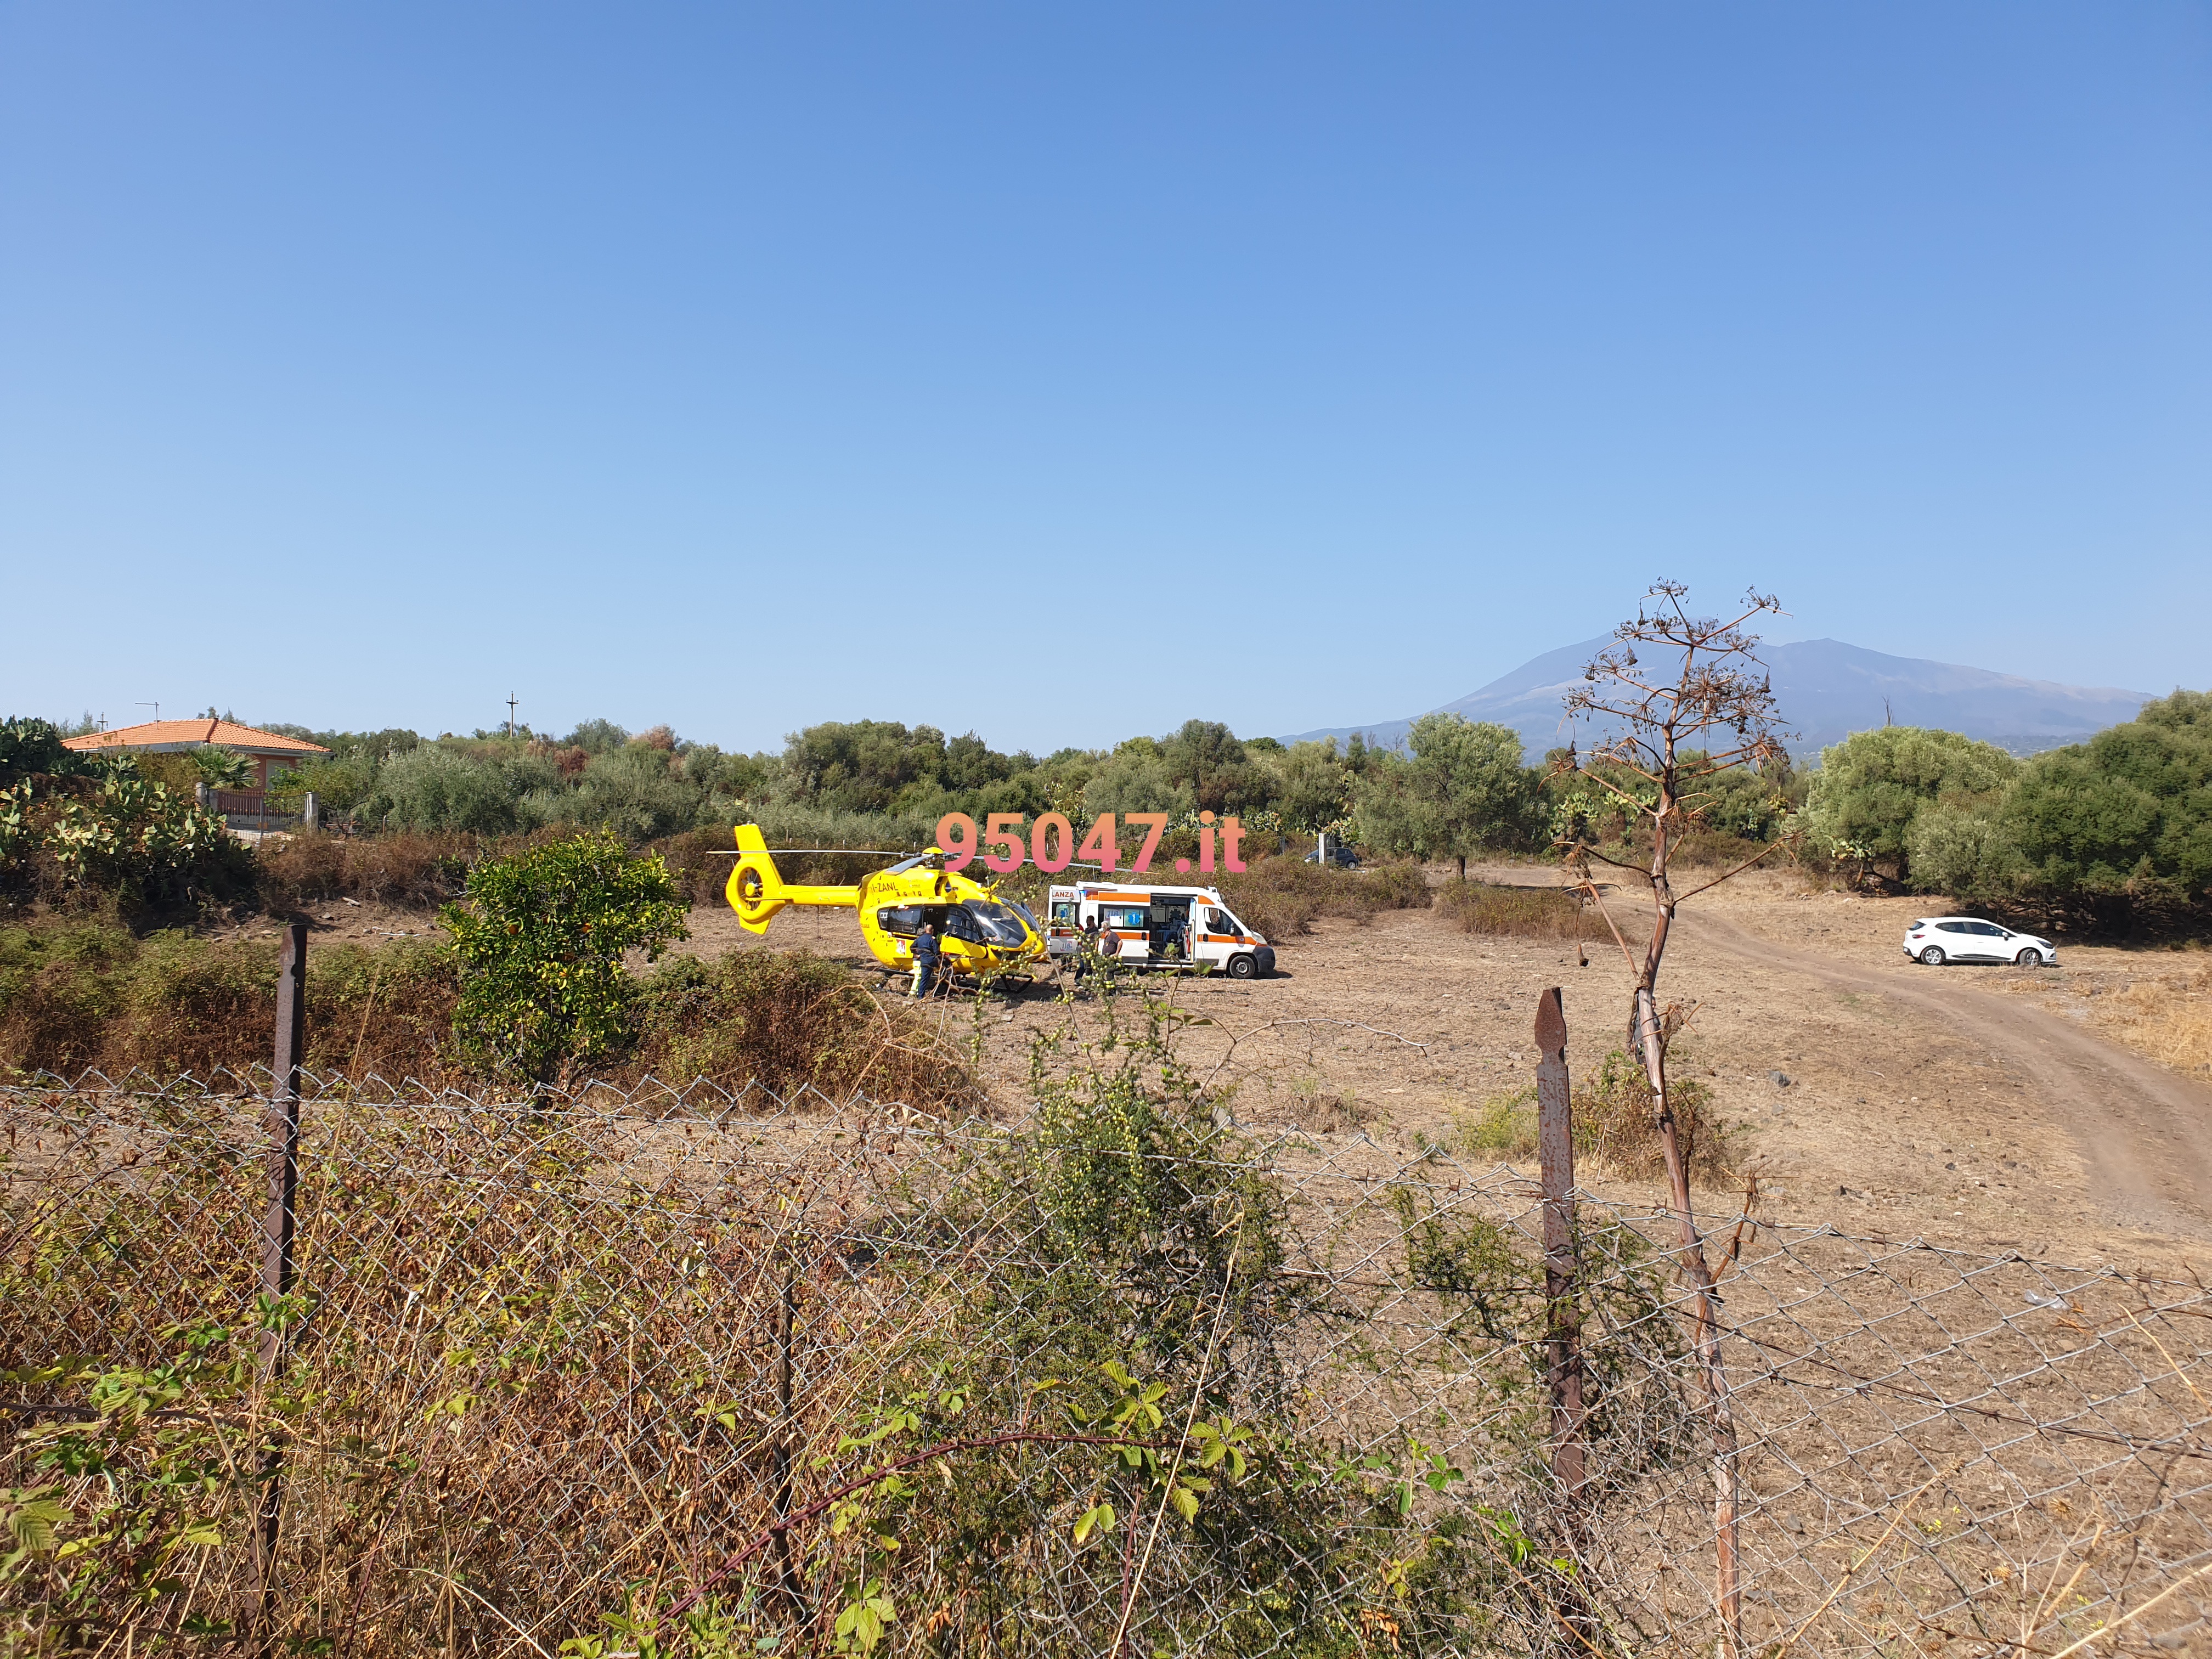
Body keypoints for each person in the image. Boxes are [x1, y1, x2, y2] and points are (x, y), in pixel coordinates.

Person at [910, 922, 941, 1000]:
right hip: (931, 961)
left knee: (924, 978)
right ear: (932, 931)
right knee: (927, 978)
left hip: (923, 961)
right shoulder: (932, 939)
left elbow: (912, 947)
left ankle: (921, 995)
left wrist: (917, 954)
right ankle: (921, 996)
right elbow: (936, 952)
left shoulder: (919, 939)